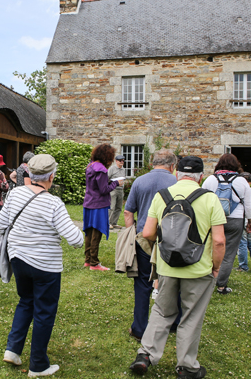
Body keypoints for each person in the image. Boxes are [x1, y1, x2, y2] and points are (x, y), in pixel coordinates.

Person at [129, 156, 226, 379]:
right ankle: (186, 366)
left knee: (162, 311)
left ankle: (145, 355)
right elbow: (220, 241)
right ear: (201, 176)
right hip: (199, 268)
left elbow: (147, 233)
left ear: (177, 174)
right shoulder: (210, 199)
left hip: (166, 265)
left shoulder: (162, 196)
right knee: (191, 316)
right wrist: (216, 267)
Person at [0, 154, 84, 378]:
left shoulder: (15, 194)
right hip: (45, 265)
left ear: (29, 174)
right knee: (44, 311)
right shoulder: (53, 203)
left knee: (26, 301)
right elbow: (76, 240)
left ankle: (12, 349)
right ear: (51, 176)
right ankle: (38, 365)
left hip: (18, 258)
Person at [124, 149, 177, 341]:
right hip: (171, 238)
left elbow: (128, 212)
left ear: (152, 163)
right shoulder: (176, 182)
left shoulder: (139, 181)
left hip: (144, 238)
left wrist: (132, 236)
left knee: (142, 283)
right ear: (172, 166)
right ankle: (173, 323)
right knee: (173, 280)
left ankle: (139, 327)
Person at [201, 154, 251, 294]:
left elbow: (203, 200)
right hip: (235, 219)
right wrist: (250, 222)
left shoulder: (211, 180)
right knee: (229, 253)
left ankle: (206, 281)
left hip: (213, 219)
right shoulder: (242, 181)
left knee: (208, 250)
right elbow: (248, 204)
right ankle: (221, 285)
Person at [83, 144, 124, 271]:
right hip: (98, 204)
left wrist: (110, 182)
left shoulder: (91, 165)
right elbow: (103, 190)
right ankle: (94, 263)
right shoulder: (101, 169)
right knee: (96, 232)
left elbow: (97, 185)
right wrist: (116, 183)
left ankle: (88, 260)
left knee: (89, 232)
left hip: (89, 202)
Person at [108, 155, 127, 229]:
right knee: (112, 207)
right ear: (116, 161)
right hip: (113, 190)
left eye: (123, 161)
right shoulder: (112, 168)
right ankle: (108, 223)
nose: (122, 162)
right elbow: (107, 178)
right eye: (120, 160)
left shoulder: (123, 170)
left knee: (118, 207)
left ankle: (114, 222)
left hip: (120, 190)